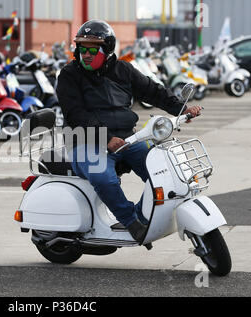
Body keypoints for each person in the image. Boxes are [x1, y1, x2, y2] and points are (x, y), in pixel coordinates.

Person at [56, 20, 202, 242]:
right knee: (104, 179)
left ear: (107, 49)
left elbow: (152, 91)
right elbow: (75, 114)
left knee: (164, 171)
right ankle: (130, 221)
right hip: (86, 141)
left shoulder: (122, 70)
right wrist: (105, 138)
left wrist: (181, 108)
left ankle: (145, 215)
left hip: (128, 138)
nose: (85, 54)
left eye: (92, 49)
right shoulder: (68, 75)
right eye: (81, 48)